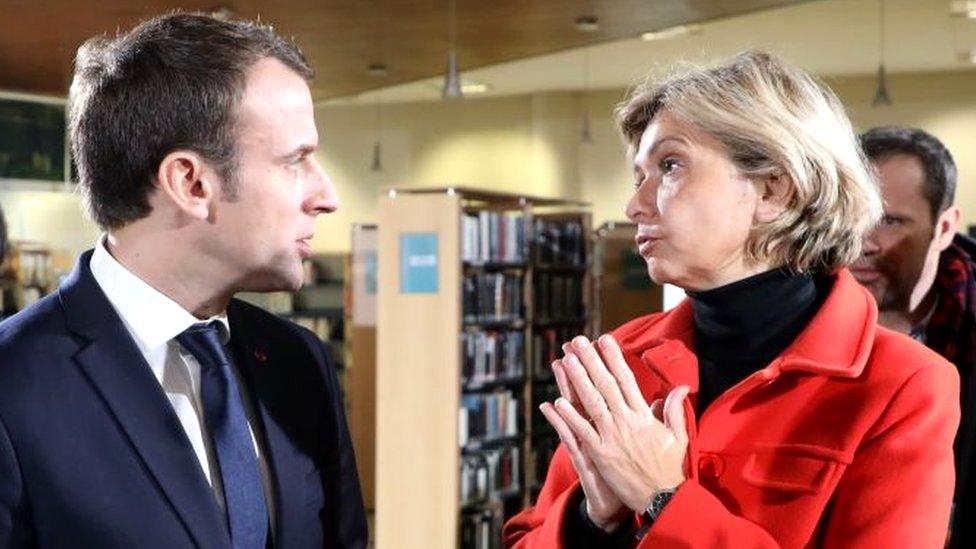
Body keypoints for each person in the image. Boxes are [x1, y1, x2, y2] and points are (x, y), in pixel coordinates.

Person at [504, 51, 958, 547]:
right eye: (639, 177)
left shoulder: (903, 385)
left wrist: (662, 500)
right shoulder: (621, 358)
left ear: (773, 189)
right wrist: (592, 523)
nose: (635, 205)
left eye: (670, 166)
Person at [0, 13, 366, 549]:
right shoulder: (13, 387)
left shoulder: (299, 363)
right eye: (296, 161)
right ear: (191, 182)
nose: (326, 195)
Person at [854, 125, 974, 547]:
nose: (860, 243)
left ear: (944, 228)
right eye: (850, 216)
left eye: (888, 221)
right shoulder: (788, 327)